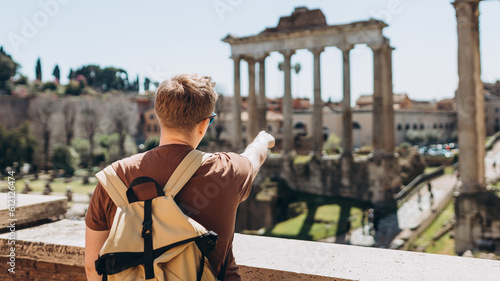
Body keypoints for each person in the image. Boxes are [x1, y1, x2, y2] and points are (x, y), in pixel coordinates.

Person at [84, 74, 275, 281]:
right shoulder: (225, 170)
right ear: (204, 124)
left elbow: (92, 268)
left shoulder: (113, 177)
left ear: (159, 117)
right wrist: (264, 139)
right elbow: (255, 156)